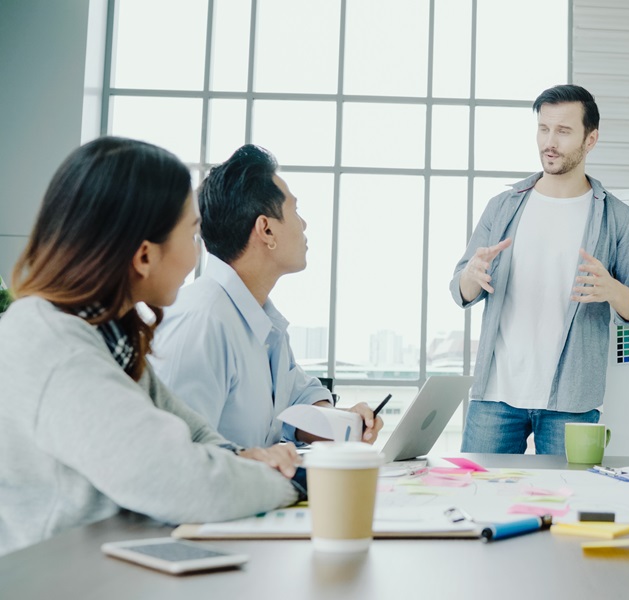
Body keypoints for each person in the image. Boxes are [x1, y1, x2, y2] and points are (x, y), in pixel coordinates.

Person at [0, 137, 300, 556]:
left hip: (107, 566)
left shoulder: (107, 334)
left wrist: (244, 458)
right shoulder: (54, 346)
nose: (197, 256)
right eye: (192, 235)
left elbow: (193, 431)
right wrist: (293, 482)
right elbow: (179, 482)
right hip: (60, 577)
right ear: (144, 256)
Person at [450, 84, 629, 454]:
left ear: (590, 139)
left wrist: (613, 290)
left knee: (570, 492)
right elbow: (461, 290)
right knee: (479, 486)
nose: (550, 142)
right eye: (543, 129)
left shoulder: (616, 217)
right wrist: (471, 277)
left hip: (572, 400)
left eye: (563, 131)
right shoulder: (503, 206)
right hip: (495, 395)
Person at [150, 145, 383, 450]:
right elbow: (178, 454)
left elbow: (297, 401)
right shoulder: (202, 322)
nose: (303, 224)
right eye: (295, 211)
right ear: (266, 230)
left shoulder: (262, 321)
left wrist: (346, 421)